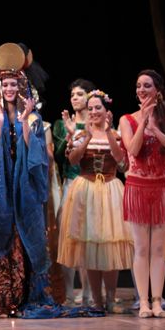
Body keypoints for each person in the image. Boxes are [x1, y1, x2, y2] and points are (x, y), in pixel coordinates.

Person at [0, 43, 52, 318]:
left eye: (14, 85)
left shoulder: (35, 119)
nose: (10, 90)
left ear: (22, 88)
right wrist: (1, 125)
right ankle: (0, 302)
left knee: (25, 238)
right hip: (0, 192)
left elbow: (38, 157)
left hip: (23, 191)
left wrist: (25, 121)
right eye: (5, 85)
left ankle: (25, 298)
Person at [57, 90, 133, 313]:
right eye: (90, 109)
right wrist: (87, 137)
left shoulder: (116, 134)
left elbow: (122, 163)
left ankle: (110, 298)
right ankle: (97, 301)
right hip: (86, 190)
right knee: (90, 245)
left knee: (109, 245)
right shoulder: (80, 135)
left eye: (97, 108)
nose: (93, 112)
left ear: (106, 111)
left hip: (109, 190)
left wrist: (108, 133)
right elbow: (72, 159)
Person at [119, 69, 165, 318]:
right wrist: (143, 121)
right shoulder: (127, 119)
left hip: (162, 186)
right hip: (137, 187)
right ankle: (143, 302)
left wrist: (156, 130)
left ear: (157, 90)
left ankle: (157, 301)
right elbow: (132, 150)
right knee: (141, 248)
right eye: (138, 86)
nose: (141, 90)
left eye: (146, 85)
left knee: (158, 249)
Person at [53, 79, 96, 306]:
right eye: (73, 95)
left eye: (80, 94)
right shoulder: (62, 124)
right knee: (67, 238)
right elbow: (59, 155)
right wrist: (70, 135)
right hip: (71, 183)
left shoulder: (96, 122)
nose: (75, 98)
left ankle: (88, 292)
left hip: (92, 184)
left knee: (89, 238)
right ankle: (68, 292)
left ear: (90, 96)